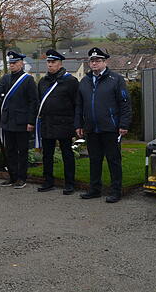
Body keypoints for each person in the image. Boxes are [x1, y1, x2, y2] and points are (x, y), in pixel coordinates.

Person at [75, 47, 131, 203]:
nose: (94, 63)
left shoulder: (116, 79)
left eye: (97, 61)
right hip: (91, 128)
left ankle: (116, 191)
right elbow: (79, 105)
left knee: (113, 160)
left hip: (111, 128)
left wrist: (124, 124)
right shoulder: (84, 81)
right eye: (92, 61)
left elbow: (125, 103)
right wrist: (79, 124)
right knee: (94, 159)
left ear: (105, 62)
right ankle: (94, 189)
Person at [0, 51, 37, 189]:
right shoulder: (6, 78)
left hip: (21, 121)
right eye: (10, 63)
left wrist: (31, 121)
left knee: (22, 151)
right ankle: (12, 176)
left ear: (21, 63)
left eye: (14, 63)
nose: (12, 65)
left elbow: (33, 102)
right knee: (10, 151)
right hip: (8, 121)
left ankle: (21, 178)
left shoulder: (27, 80)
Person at [36, 50, 79, 194]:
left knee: (67, 154)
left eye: (53, 62)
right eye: (48, 62)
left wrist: (77, 123)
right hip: (47, 122)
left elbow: (76, 104)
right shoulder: (43, 81)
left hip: (64, 123)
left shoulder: (71, 81)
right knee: (47, 154)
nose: (50, 65)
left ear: (60, 63)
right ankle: (48, 181)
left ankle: (70, 183)